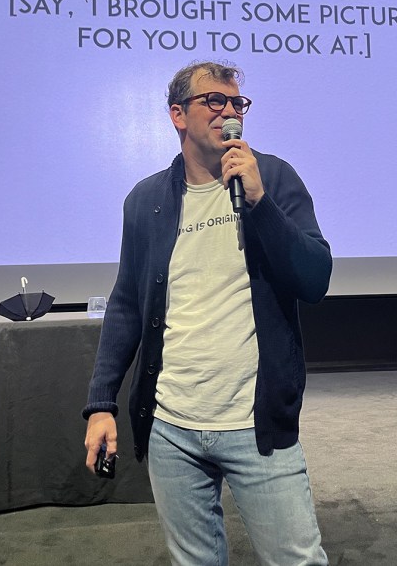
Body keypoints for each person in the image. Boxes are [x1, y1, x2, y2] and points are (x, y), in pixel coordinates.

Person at [83, 60, 332, 566]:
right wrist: (101, 401)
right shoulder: (146, 200)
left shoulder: (274, 178)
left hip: (255, 423)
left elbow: (315, 279)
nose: (229, 112)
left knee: (297, 560)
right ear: (178, 115)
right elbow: (127, 304)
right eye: (213, 101)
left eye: (236, 103)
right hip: (171, 426)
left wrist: (261, 203)